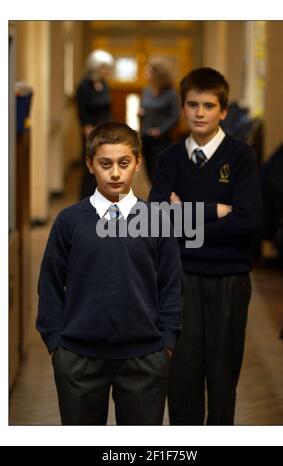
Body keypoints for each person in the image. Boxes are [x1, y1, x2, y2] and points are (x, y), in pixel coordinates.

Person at [36, 121, 182, 425]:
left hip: (145, 357)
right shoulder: (69, 221)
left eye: (123, 163)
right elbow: (49, 283)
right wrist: (56, 345)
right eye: (105, 164)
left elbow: (171, 284)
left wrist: (165, 343)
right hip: (78, 358)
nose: (115, 173)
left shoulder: (157, 220)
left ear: (138, 162)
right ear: (90, 164)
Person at [149, 67, 262, 425]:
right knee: (181, 380)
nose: (200, 112)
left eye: (209, 105)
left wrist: (186, 217)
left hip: (230, 280)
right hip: (179, 281)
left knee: (223, 379)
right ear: (182, 108)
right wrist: (216, 211)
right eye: (193, 104)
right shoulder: (168, 159)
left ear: (224, 111)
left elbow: (248, 222)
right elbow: (156, 220)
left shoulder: (241, 157)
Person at [76, 49, 114, 199]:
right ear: (95, 67)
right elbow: (82, 111)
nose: (107, 71)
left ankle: (101, 196)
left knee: (105, 164)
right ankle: (85, 199)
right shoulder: (84, 86)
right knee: (91, 166)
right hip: (91, 131)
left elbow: (108, 108)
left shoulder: (104, 84)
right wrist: (87, 129)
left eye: (108, 68)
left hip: (105, 130)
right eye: (104, 68)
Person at [138, 57, 179, 182]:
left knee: (160, 172)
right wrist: (141, 113)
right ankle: (156, 197)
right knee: (149, 172)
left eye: (148, 71)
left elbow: (175, 116)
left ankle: (162, 199)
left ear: (157, 74)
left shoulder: (171, 93)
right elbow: (143, 108)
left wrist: (161, 130)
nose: (145, 74)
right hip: (146, 137)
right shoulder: (146, 90)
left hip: (162, 140)